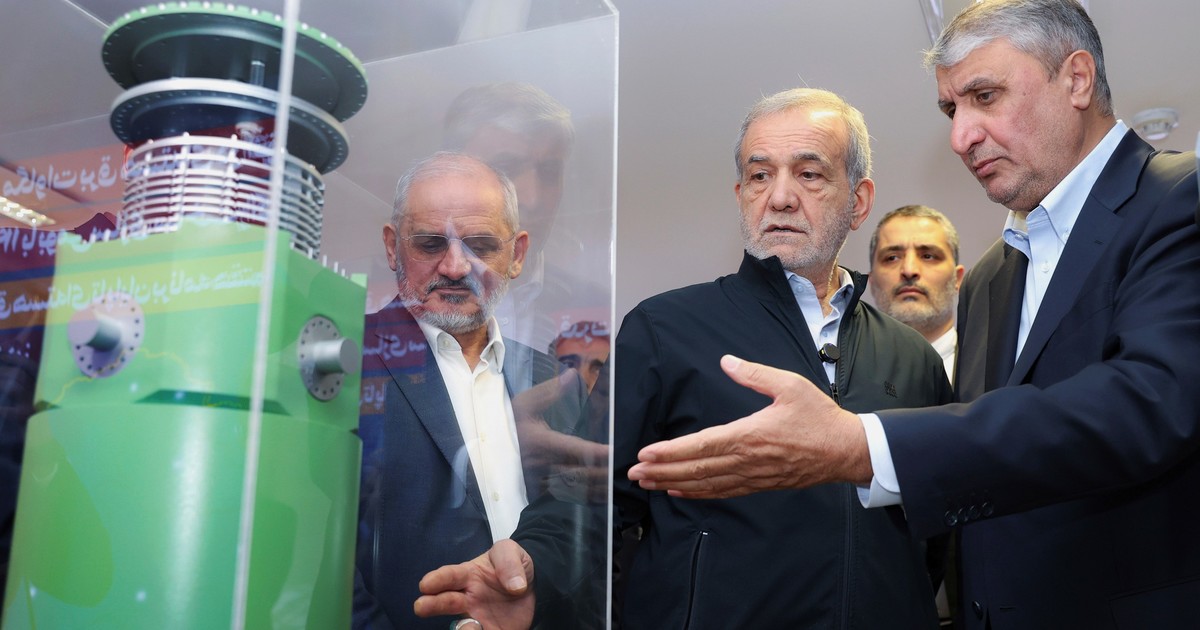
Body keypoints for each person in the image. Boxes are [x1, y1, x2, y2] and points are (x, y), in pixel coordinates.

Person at [627, 2, 1200, 629]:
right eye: (952, 110)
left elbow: (1152, 400)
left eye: (985, 97)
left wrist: (861, 445)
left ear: (1078, 79)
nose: (961, 137)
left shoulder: (1180, 200)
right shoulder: (992, 277)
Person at [615, 87, 952, 628]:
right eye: (759, 175)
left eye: (809, 174)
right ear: (740, 194)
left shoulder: (915, 360)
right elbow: (597, 516)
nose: (779, 198)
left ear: (859, 201)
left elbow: (935, 541)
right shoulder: (663, 330)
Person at [353, 151, 579, 629]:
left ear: (517, 255)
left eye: (480, 245)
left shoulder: (551, 380)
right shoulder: (346, 361)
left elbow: (581, 532)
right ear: (393, 247)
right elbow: (315, 547)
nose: (456, 266)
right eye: (430, 243)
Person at [443, 82, 608, 352]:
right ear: (451, 179)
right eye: (506, 168)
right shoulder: (409, 297)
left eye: (549, 172)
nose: (532, 198)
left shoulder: (594, 308)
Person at [868, 205, 964, 379]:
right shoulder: (844, 374)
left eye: (928, 256)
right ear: (871, 281)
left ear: (957, 278)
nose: (909, 270)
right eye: (892, 258)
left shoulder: (993, 372)